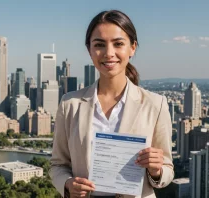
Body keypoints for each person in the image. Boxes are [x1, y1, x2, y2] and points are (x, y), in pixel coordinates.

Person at [49, 10, 174, 198]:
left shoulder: (155, 104)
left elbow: (167, 170)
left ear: (132, 48)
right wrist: (67, 184)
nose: (109, 53)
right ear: (89, 50)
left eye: (118, 44)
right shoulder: (70, 103)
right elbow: (57, 165)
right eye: (99, 44)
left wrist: (156, 170)